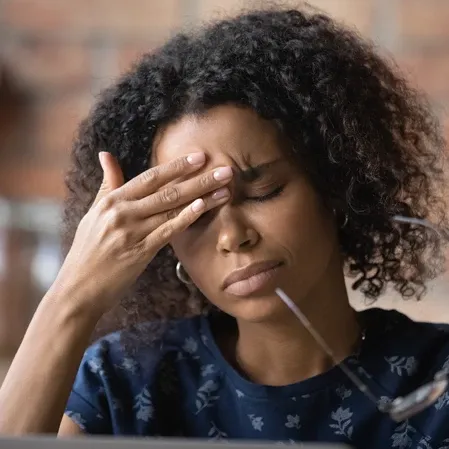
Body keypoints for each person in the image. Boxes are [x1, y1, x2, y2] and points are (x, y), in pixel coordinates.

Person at [0, 4, 448, 448]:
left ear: (336, 184)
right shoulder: (126, 381)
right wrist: (72, 298)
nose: (234, 237)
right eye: (194, 216)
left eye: (263, 192)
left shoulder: (437, 379)